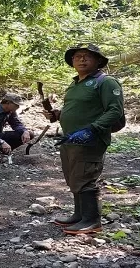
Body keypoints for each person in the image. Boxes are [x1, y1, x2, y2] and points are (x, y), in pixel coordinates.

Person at [43, 44, 124, 235]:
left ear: (98, 61)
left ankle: (91, 220)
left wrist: (92, 129)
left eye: (88, 56)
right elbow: (79, 109)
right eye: (78, 56)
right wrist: (57, 114)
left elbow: (115, 111)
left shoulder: (106, 82)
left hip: (91, 139)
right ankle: (79, 215)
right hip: (70, 139)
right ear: (72, 61)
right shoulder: (75, 84)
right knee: (73, 177)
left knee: (85, 178)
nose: (82, 59)